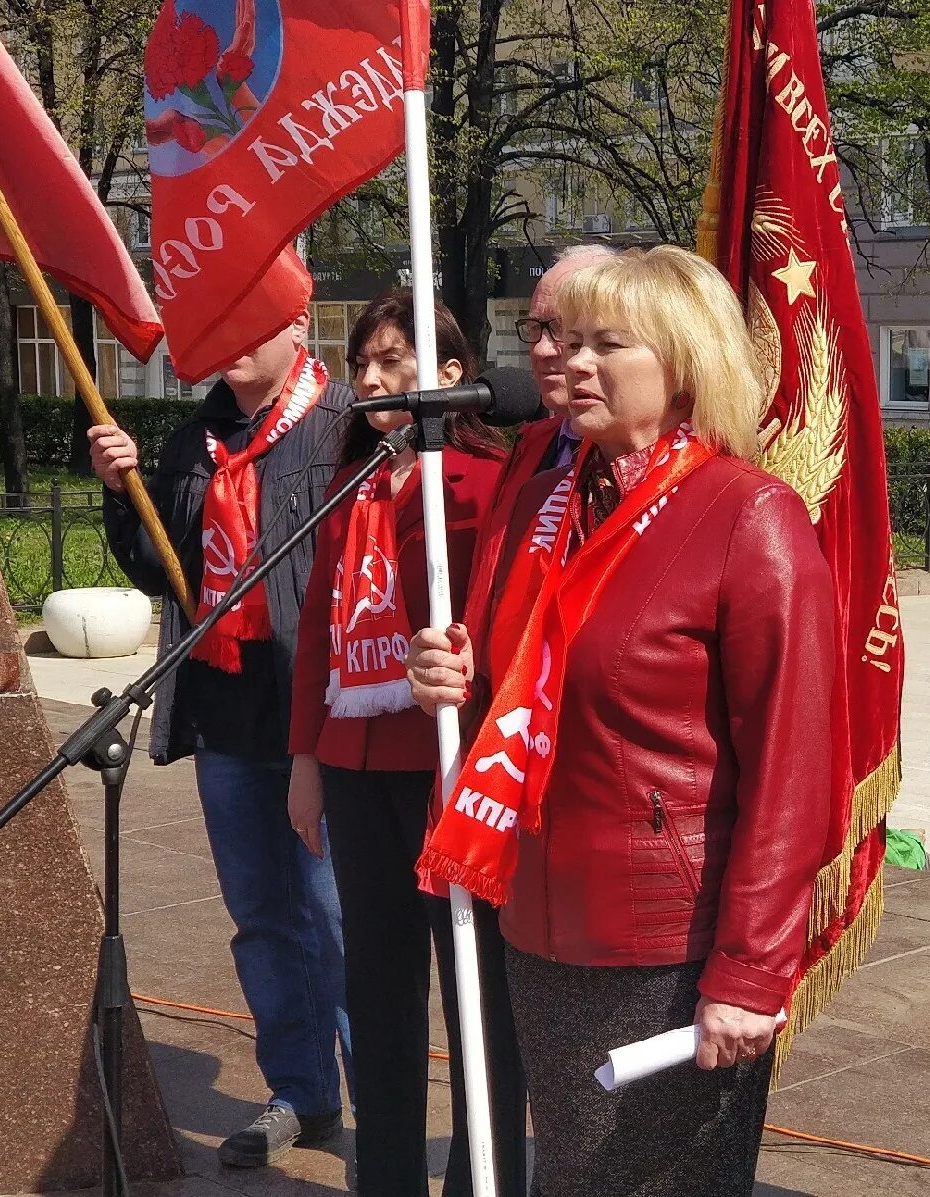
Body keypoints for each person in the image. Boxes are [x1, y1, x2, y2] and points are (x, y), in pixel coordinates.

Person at [406, 244, 835, 1197]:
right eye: (567, 339)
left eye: (609, 344)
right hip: (543, 928)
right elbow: (532, 684)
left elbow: (795, 778)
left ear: (683, 365)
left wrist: (751, 973)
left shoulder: (748, 515)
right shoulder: (551, 501)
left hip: (669, 949)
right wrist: (456, 674)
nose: (574, 363)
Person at [90, 305, 354, 1168]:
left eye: (255, 318)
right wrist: (122, 492)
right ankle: (302, 1092)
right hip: (227, 713)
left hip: (325, 713)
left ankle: (378, 1103)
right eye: (222, 318)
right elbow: (161, 568)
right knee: (261, 916)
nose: (233, 337)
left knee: (335, 917)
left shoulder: (345, 425)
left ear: (300, 326)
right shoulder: (193, 439)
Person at [284, 292, 526, 1196]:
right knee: (378, 990)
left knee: (476, 994)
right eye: (363, 363)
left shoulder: (487, 483)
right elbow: (318, 630)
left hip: (452, 772)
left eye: (396, 359)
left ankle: (484, 1178)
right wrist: (305, 761)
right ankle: (384, 1176)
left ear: (453, 376)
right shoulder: (352, 485)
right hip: (354, 768)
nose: (375, 379)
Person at [462, 244, 617, 638]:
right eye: (534, 328)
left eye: (563, 330)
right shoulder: (528, 446)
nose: (544, 349)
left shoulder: (663, 463)